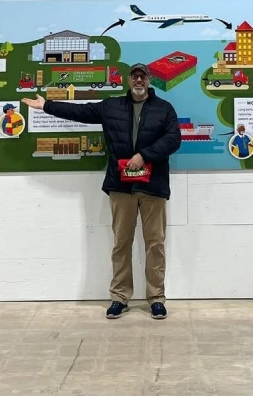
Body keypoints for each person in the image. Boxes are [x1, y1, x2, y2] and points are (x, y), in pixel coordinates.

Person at [23, 62, 181, 320]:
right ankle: (119, 297)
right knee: (121, 243)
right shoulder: (111, 106)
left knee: (155, 244)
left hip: (153, 186)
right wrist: (46, 106)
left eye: (143, 77)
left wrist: (144, 155)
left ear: (149, 80)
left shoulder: (164, 109)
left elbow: (174, 139)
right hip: (120, 187)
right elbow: (80, 112)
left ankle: (156, 299)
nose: (138, 80)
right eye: (135, 76)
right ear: (128, 80)